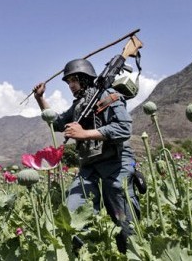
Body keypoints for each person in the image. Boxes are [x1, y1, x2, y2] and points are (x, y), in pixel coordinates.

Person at [33, 58, 140, 253]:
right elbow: (57, 123)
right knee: (72, 217)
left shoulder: (109, 95)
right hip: (89, 167)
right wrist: (40, 99)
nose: (71, 86)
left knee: (124, 222)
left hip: (116, 163)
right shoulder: (79, 105)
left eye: (73, 80)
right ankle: (84, 255)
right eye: (68, 82)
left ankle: (131, 254)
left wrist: (84, 134)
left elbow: (124, 128)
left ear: (85, 78)